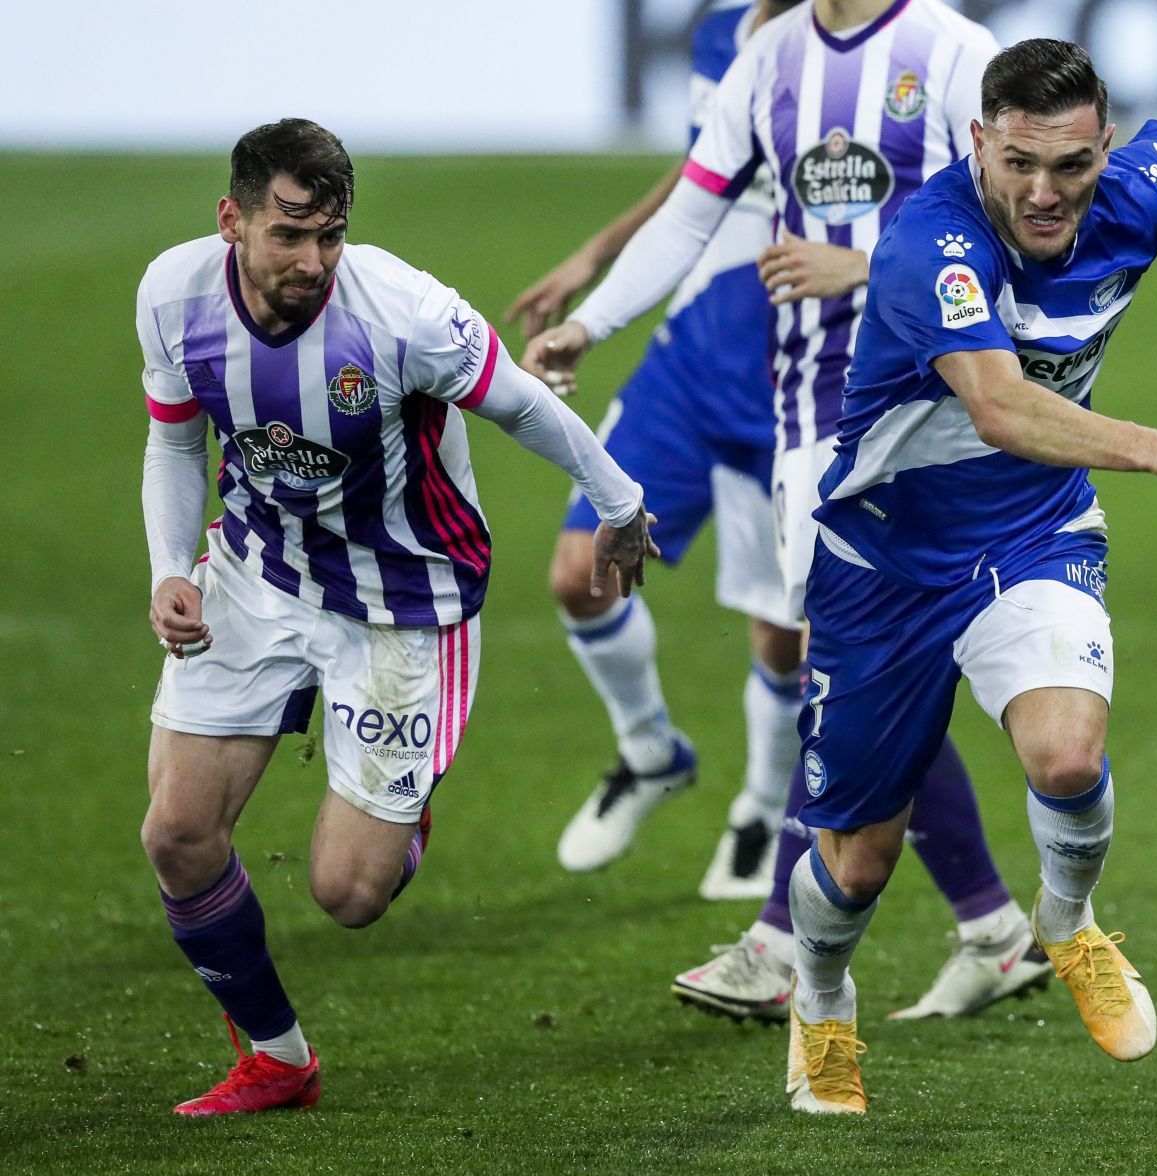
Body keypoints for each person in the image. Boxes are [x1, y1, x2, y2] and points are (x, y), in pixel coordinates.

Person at [779, 38, 1157, 1112]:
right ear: (979, 144)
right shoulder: (931, 244)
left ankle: (1067, 919)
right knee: (857, 864)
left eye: (1073, 166)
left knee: (1064, 749)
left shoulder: (1136, 192)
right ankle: (820, 1000)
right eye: (1020, 165)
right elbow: (1000, 406)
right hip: (884, 562)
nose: (1046, 193)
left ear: (1106, 150)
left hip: (1032, 532)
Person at [525, 0, 1052, 1024]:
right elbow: (689, 209)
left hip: (926, 406)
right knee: (860, 671)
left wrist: (864, 267)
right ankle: (989, 928)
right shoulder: (765, 59)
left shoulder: (949, 51)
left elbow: (1027, 219)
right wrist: (591, 319)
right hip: (811, 417)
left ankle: (783, 941)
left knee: (849, 665)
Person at [138, 119, 654, 1115]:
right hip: (256, 566)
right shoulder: (173, 293)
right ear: (231, 220)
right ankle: (280, 1056)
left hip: (403, 595)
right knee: (179, 833)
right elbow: (174, 444)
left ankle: (402, 800)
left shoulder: (402, 312)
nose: (311, 260)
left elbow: (526, 406)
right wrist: (172, 567)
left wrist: (620, 503)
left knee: (349, 894)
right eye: (288, 233)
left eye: (329, 234)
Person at [508, 0, 804, 897]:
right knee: (577, 572)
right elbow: (698, 178)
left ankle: (760, 806)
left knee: (784, 634)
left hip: (793, 386)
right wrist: (595, 257)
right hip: (688, 365)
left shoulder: (869, 48)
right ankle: (650, 752)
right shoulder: (718, 33)